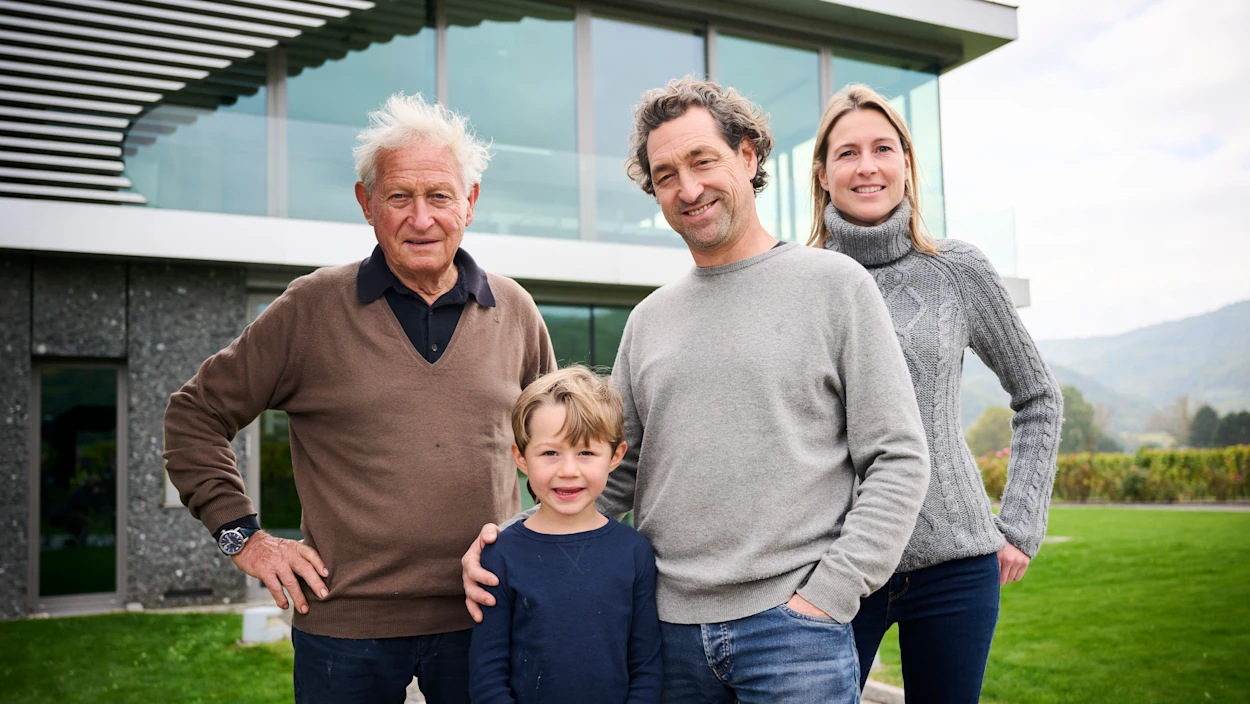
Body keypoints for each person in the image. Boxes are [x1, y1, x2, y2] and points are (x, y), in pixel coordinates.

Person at [463, 78, 932, 703]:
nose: (687, 188)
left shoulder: (834, 286)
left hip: (794, 636)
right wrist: (515, 545)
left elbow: (898, 458)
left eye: (702, 160)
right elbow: (611, 476)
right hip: (666, 636)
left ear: (748, 156)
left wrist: (830, 595)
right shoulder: (648, 320)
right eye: (664, 175)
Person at [163, 93, 556, 704]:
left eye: (440, 197)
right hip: (345, 629)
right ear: (367, 204)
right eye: (399, 197)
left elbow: (552, 452)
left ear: (470, 204)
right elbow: (195, 415)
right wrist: (244, 537)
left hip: (484, 614)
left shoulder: (517, 311)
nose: (421, 218)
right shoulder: (311, 308)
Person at [807, 84, 1064, 703]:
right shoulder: (800, 278)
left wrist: (1021, 523)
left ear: (907, 164)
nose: (867, 166)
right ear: (821, 174)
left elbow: (1038, 396)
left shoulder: (958, 270)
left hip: (956, 566)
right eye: (847, 153)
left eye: (882, 148)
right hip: (835, 566)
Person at [469, 365, 662, 704]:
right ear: (521, 457)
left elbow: (645, 666)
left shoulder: (635, 552)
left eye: (586, 452)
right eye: (550, 453)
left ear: (616, 456)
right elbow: (488, 672)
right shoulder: (500, 555)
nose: (568, 471)